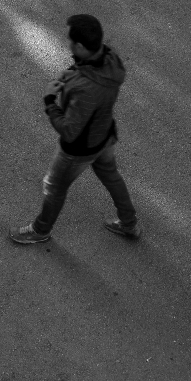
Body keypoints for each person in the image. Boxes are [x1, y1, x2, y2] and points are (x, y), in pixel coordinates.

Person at [10, 14, 140, 244]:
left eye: (70, 41)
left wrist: (50, 100)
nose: (68, 43)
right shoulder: (111, 60)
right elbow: (87, 70)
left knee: (53, 187)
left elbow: (70, 130)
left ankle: (40, 230)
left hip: (79, 149)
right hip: (105, 135)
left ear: (80, 46)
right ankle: (129, 223)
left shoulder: (86, 90)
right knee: (111, 176)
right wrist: (71, 73)